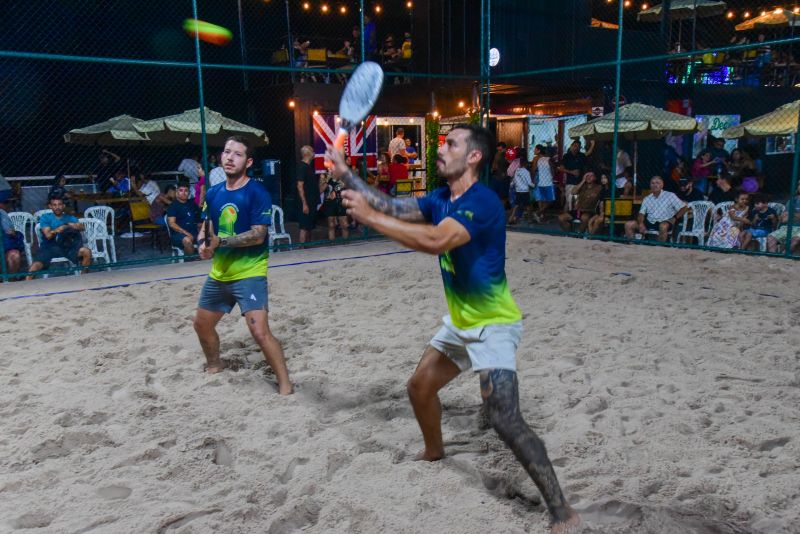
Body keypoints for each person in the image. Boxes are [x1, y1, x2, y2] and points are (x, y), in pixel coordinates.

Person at [327, 124, 579, 534]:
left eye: (450, 144)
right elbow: (391, 205)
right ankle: (434, 451)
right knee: (419, 388)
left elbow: (435, 242)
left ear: (474, 156)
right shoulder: (442, 197)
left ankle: (562, 510)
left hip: (493, 323)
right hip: (460, 321)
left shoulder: (483, 201)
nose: (441, 150)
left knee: (505, 419)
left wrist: (370, 218)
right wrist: (347, 174)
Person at [194, 136, 293, 395]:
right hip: (220, 274)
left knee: (258, 331)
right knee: (202, 324)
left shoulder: (258, 192)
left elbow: (258, 234)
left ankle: (285, 385)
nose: (229, 158)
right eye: (226, 152)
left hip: (250, 272)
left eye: (237, 154)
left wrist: (220, 242)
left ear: (248, 162)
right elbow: (208, 227)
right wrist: (203, 243)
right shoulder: (214, 192)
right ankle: (215, 364)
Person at [27, 197, 91, 279]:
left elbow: (82, 227)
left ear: (63, 206)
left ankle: (84, 279)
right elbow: (48, 235)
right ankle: (27, 282)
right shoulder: (46, 217)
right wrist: (57, 230)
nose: (57, 207)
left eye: (60, 204)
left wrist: (69, 225)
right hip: (50, 246)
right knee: (36, 264)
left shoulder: (69, 217)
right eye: (54, 205)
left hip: (67, 247)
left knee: (86, 252)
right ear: (50, 206)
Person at [625, 176, 688, 242]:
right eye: (653, 183)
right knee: (629, 224)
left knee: (663, 226)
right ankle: (633, 246)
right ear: (650, 185)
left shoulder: (670, 196)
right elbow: (641, 213)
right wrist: (641, 223)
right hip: (650, 222)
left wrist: (675, 218)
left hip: (665, 221)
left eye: (657, 183)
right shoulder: (647, 198)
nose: (655, 185)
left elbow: (684, 207)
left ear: (662, 185)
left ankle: (659, 248)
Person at [167, 182, 201, 255]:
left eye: (186, 190)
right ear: (177, 192)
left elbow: (199, 222)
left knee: (210, 237)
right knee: (187, 241)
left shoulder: (192, 204)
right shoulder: (173, 206)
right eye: (181, 190)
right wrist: (187, 234)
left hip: (194, 232)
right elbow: (172, 224)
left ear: (189, 193)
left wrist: (203, 232)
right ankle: (190, 263)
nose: (184, 193)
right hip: (178, 234)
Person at [296, 145, 319, 244]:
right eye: (313, 151)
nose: (314, 153)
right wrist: (304, 203)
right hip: (306, 202)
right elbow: (299, 186)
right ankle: (301, 249)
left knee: (309, 226)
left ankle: (308, 249)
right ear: (308, 154)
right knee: (304, 227)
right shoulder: (302, 167)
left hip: (312, 201)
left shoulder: (309, 167)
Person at [558, 140, 585, 212]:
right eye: (575, 146)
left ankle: (575, 217)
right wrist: (571, 172)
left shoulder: (582, 156)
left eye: (578, 147)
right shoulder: (566, 156)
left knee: (578, 201)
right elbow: (561, 168)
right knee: (569, 201)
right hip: (570, 181)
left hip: (580, 182)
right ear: (571, 146)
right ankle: (565, 217)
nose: (576, 148)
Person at [0, 195, 24, 275]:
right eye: (6, 203)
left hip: (4, 248)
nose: (8, 206)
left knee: (14, 255)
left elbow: (10, 232)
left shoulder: (2, 213)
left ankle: (11, 283)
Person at [532, 144, 556, 223]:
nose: (534, 150)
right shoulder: (548, 159)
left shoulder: (537, 159)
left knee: (540, 199)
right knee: (549, 199)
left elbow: (534, 169)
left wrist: (533, 179)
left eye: (535, 149)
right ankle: (540, 214)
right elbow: (552, 171)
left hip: (539, 180)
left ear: (539, 150)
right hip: (547, 180)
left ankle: (540, 215)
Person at [508, 153, 533, 225]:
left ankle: (511, 217)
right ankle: (530, 219)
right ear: (526, 164)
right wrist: (534, 185)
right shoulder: (526, 172)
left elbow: (514, 181)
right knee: (528, 205)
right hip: (525, 191)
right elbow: (529, 183)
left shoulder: (517, 171)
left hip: (518, 190)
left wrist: (512, 186)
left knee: (516, 205)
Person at [323, 172, 348, 241]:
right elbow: (320, 190)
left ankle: (346, 244)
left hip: (341, 202)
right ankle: (332, 244)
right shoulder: (325, 177)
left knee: (344, 225)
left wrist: (343, 184)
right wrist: (327, 181)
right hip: (330, 203)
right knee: (331, 225)